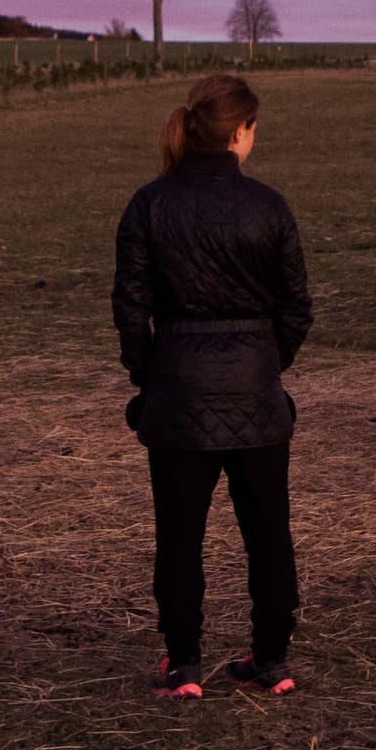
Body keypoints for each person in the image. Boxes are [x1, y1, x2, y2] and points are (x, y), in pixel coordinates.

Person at [112, 73, 312, 697]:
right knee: (269, 534)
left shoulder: (149, 205)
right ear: (240, 132)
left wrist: (150, 375)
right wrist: (265, 363)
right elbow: (297, 307)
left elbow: (130, 307)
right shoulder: (269, 207)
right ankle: (272, 660)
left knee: (178, 537)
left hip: (177, 395)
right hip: (256, 396)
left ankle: (183, 665)